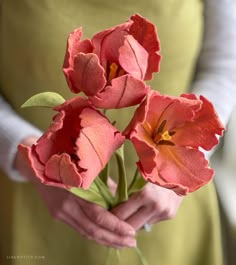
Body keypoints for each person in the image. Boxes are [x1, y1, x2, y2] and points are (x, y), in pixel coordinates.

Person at [0, 0, 236, 264]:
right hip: (30, 201)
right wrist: (26, 154)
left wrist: (176, 179)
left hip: (171, 203)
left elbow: (226, 66)